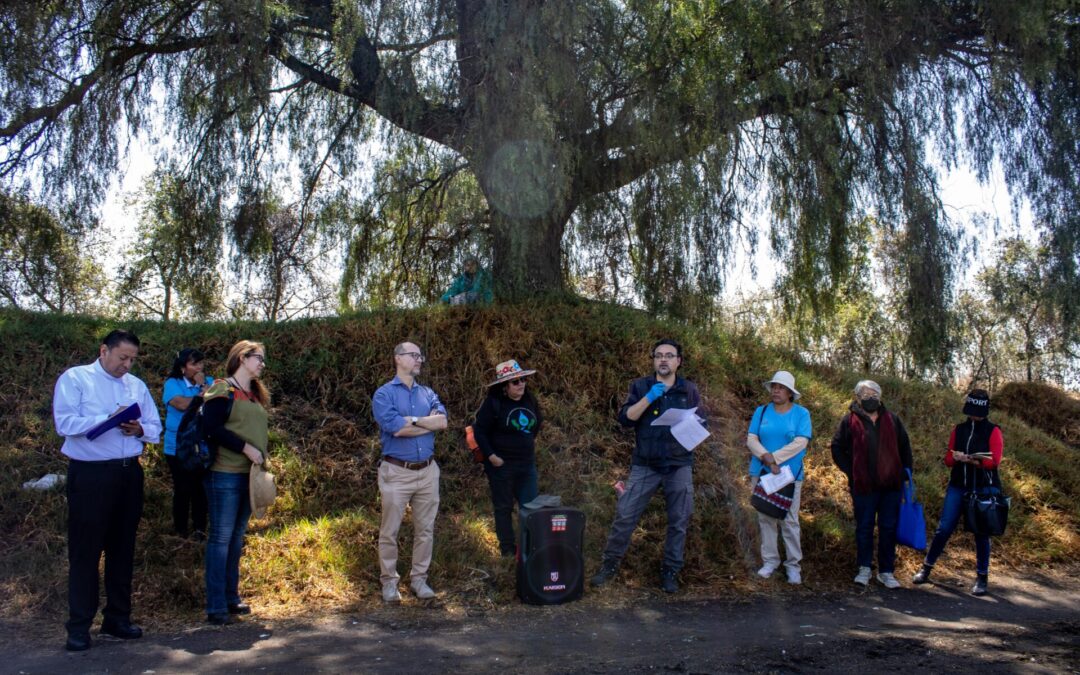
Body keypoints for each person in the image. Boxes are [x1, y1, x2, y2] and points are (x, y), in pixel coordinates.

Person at [52, 329, 162, 651]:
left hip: (128, 474)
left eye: (132, 359)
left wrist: (139, 428)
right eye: (122, 357)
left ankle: (117, 618)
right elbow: (65, 423)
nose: (126, 365)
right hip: (90, 476)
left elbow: (155, 427)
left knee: (122, 549)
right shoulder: (76, 379)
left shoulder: (136, 386)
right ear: (104, 350)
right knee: (85, 552)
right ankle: (78, 626)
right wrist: (108, 420)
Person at [590, 339, 704, 593]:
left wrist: (694, 428)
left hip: (678, 464)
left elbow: (701, 420)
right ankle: (609, 566)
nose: (663, 359)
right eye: (658, 355)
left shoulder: (689, 390)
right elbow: (626, 419)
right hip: (646, 464)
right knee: (625, 515)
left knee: (679, 521)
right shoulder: (641, 386)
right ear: (654, 360)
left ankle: (670, 571)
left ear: (678, 361)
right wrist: (649, 398)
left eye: (669, 355)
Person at [371, 341, 448, 602]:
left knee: (425, 529)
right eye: (413, 355)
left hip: (428, 472)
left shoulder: (428, 393)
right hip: (396, 472)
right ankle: (389, 583)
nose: (419, 360)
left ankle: (419, 580)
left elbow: (443, 422)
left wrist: (413, 420)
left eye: (420, 355)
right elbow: (397, 429)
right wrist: (427, 424)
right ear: (398, 359)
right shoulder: (384, 394)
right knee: (389, 531)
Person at [201, 340, 270, 625]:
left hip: (249, 476)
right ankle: (215, 604)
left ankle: (231, 597)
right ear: (242, 358)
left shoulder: (253, 394)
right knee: (221, 538)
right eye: (259, 358)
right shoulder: (221, 388)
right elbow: (210, 429)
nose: (262, 364)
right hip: (225, 473)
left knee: (236, 538)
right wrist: (245, 448)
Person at [913, 389, 1003, 596]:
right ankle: (926, 568)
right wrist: (958, 457)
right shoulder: (959, 429)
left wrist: (975, 460)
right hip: (958, 485)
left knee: (981, 533)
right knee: (944, 529)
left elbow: (994, 461)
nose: (975, 416)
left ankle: (982, 577)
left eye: (978, 412)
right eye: (972, 412)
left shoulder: (993, 430)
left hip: (982, 487)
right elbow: (948, 459)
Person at [830, 380, 913, 589]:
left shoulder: (893, 420)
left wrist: (904, 472)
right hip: (863, 487)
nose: (870, 397)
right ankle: (864, 568)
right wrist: (851, 471)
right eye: (865, 394)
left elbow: (905, 448)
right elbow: (837, 447)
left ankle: (886, 571)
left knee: (888, 528)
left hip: (891, 486)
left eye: (874, 393)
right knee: (864, 527)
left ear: (880, 396)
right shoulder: (849, 421)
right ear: (858, 397)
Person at [746, 370, 812, 584]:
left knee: (790, 520)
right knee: (765, 517)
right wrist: (765, 458)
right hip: (762, 473)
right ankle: (770, 562)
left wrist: (774, 458)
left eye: (781, 387)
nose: (776, 390)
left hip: (789, 475)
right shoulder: (762, 411)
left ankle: (793, 566)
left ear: (790, 393)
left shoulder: (801, 414)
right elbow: (751, 438)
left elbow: (801, 442)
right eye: (774, 386)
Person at [474, 359, 543, 557]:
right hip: (501, 465)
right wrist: (492, 456)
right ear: (505, 387)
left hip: (526, 465)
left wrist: (526, 444)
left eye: (522, 379)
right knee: (503, 507)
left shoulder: (530, 400)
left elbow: (537, 424)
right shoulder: (494, 403)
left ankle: (530, 547)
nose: (521, 384)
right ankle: (507, 549)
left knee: (530, 507)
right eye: (515, 382)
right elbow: (480, 431)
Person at [161, 348, 213, 538]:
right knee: (183, 487)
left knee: (200, 488)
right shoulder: (172, 383)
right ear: (183, 368)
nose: (199, 367)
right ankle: (180, 529)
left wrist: (205, 389)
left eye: (201, 363)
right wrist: (202, 394)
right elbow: (181, 404)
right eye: (194, 364)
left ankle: (200, 528)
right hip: (177, 446)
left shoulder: (210, 382)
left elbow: (218, 402)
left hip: (201, 445)